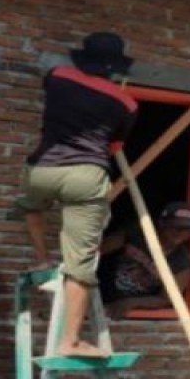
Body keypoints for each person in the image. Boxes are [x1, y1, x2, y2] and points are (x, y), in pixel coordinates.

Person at [15, 32, 137, 357]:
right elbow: (114, 146)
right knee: (80, 261)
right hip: (86, 174)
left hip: (42, 168)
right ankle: (69, 341)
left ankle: (41, 259)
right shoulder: (126, 103)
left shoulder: (57, 77)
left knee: (31, 206)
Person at [99, 202, 190, 319]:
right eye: (176, 227)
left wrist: (130, 303)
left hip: (132, 313)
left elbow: (165, 299)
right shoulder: (137, 234)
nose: (181, 233)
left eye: (188, 229)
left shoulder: (182, 261)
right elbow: (98, 251)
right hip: (100, 296)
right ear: (162, 223)